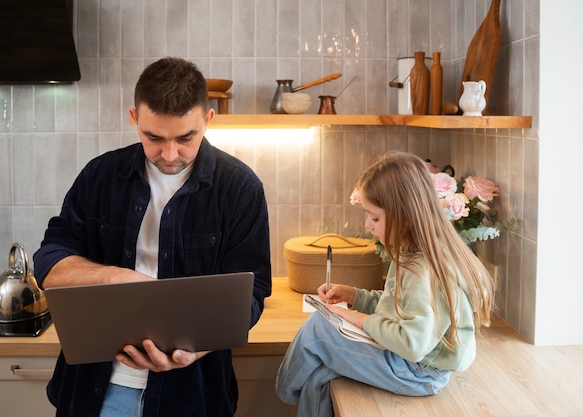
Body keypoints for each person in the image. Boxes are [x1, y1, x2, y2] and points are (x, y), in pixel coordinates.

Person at [33, 57, 272, 417]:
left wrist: (196, 347)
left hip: (192, 396)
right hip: (94, 392)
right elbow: (50, 261)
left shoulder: (240, 188)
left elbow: (250, 298)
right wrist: (116, 278)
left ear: (207, 120)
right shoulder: (100, 176)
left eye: (185, 138)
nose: (170, 154)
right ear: (134, 118)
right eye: (153, 137)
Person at [276, 151, 494, 417]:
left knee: (319, 328)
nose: (367, 225)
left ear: (405, 216)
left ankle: (283, 394)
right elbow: (397, 307)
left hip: (418, 371)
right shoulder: (413, 251)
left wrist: (354, 317)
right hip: (414, 364)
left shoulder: (422, 268)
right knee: (320, 375)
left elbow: (412, 344)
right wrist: (354, 296)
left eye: (374, 218)